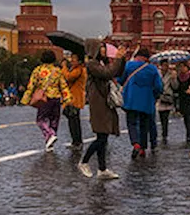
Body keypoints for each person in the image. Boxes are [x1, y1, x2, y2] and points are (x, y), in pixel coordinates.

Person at [79, 41, 126, 180]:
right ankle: (84, 161)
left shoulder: (101, 63)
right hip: (98, 103)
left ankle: (102, 168)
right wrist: (117, 59)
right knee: (101, 136)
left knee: (103, 137)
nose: (104, 51)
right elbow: (107, 73)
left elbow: (117, 72)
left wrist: (122, 59)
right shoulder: (92, 64)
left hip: (105, 102)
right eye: (101, 48)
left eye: (104, 48)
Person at [20, 50, 70, 151]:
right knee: (54, 120)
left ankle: (50, 135)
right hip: (56, 98)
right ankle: (49, 143)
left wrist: (26, 99)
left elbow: (31, 85)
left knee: (40, 120)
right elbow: (63, 86)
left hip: (44, 98)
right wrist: (67, 98)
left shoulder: (38, 70)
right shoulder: (57, 71)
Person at [121, 47, 163, 159]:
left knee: (132, 123)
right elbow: (158, 86)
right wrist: (155, 96)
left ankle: (136, 144)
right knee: (144, 125)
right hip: (147, 101)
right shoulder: (152, 69)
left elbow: (120, 80)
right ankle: (143, 149)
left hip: (131, 100)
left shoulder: (128, 66)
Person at [62, 52, 87, 149]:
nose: (71, 61)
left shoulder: (79, 70)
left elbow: (67, 77)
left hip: (75, 99)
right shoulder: (76, 69)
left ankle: (77, 142)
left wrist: (64, 67)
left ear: (79, 61)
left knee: (74, 121)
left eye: (74, 59)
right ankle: (75, 141)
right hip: (72, 98)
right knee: (73, 120)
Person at [168, 60, 190, 149]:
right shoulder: (179, 77)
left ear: (187, 67)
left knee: (189, 116)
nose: (182, 68)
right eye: (180, 67)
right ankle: (188, 131)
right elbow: (175, 88)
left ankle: (189, 134)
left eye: (183, 66)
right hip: (182, 99)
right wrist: (173, 78)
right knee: (185, 117)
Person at [153, 60, 175, 151]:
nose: (165, 67)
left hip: (168, 98)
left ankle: (164, 134)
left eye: (167, 65)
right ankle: (162, 133)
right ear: (161, 66)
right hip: (160, 97)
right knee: (161, 116)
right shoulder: (157, 74)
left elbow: (175, 86)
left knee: (165, 117)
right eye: (164, 65)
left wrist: (174, 79)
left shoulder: (171, 75)